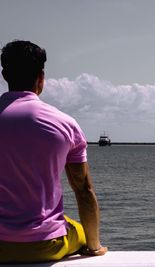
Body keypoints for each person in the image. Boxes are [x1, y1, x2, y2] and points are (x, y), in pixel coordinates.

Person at [0, 40, 107, 263]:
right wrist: (94, 247)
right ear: (41, 76)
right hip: (44, 245)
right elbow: (83, 190)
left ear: (4, 74)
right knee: (76, 229)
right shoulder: (65, 124)